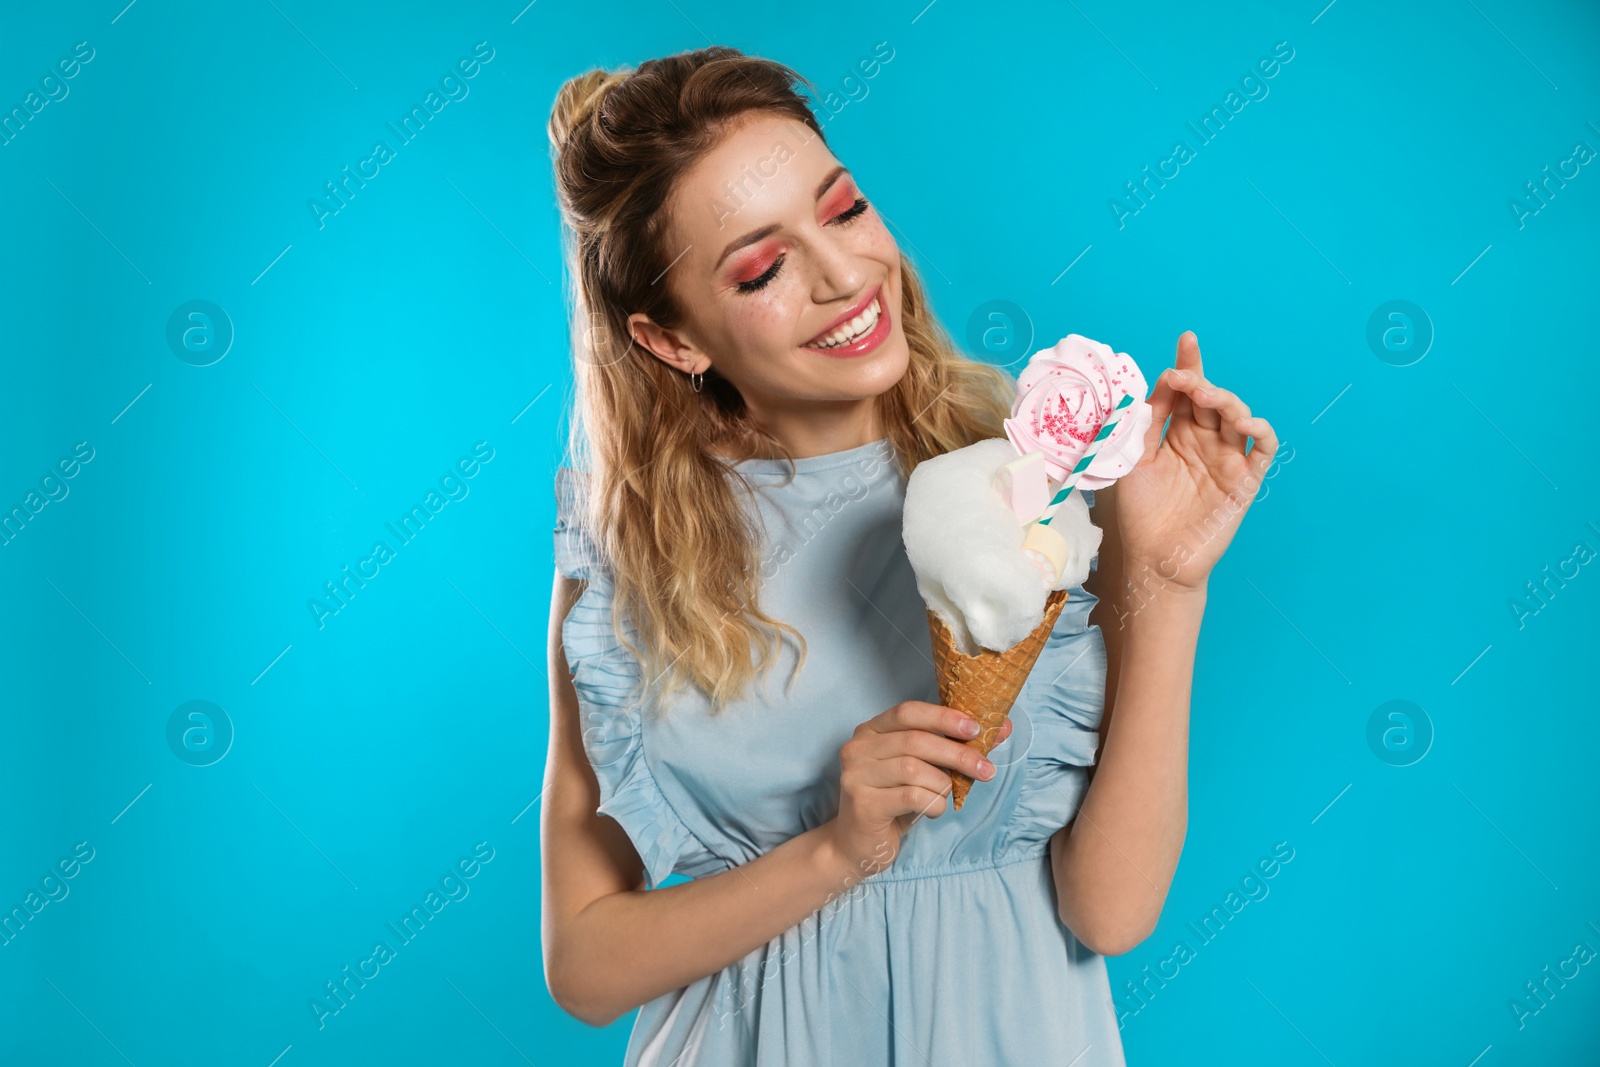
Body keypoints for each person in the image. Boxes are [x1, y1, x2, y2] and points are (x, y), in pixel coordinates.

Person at [540, 46, 1278, 1066]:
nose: (845, 276)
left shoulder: (1033, 476)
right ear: (673, 341)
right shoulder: (627, 554)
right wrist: (835, 849)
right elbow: (584, 959)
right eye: (762, 267)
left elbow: (1109, 911)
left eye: (842, 210)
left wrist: (1167, 578)